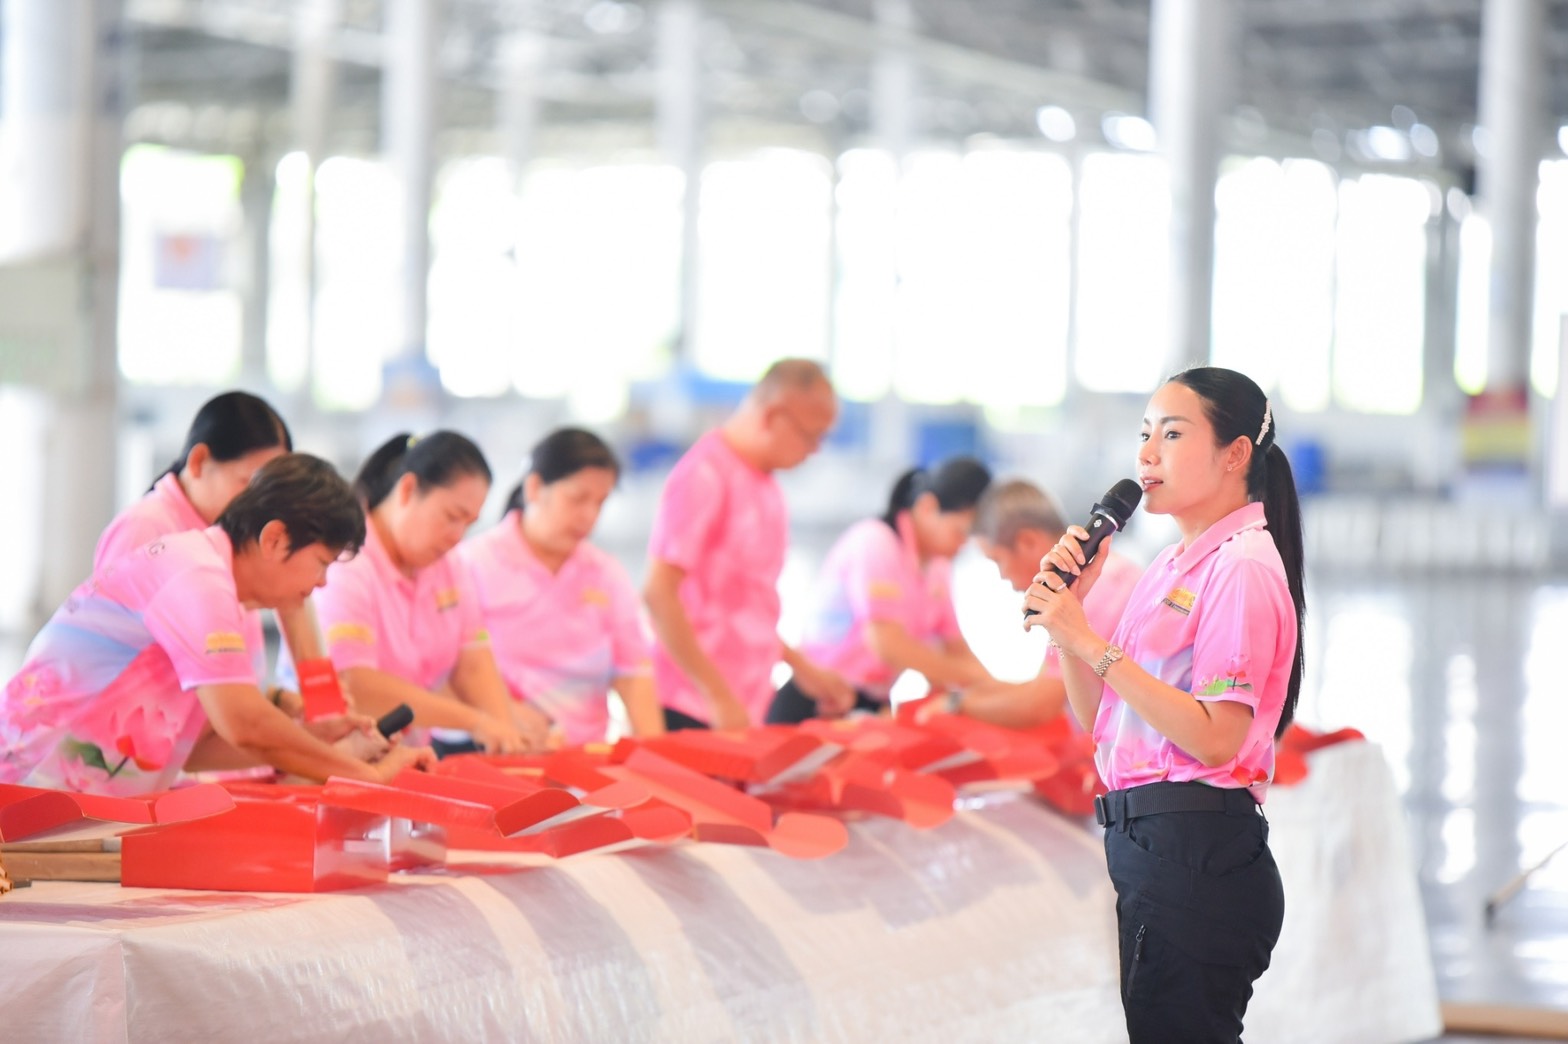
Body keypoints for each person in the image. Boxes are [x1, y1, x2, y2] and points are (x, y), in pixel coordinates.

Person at [1023, 367, 1305, 1043]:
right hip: (1153, 845)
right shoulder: (1173, 565)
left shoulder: (1240, 567)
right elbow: (1103, 722)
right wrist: (1073, 620)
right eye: (1144, 434)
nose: (1147, 454)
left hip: (1195, 850)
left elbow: (1216, 739)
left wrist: (1091, 643)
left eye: (1172, 434)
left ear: (1235, 454)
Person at [0, 453, 434, 795]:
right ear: (274, 539)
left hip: (66, 802)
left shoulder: (215, 578)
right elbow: (245, 723)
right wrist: (363, 774)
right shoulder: (198, 575)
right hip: (28, 792)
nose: (321, 583)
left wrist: (311, 738)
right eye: (321, 563)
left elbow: (197, 747)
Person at [94, 391, 338, 722]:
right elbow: (134, 675)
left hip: (217, 742)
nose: (264, 504)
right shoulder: (146, 527)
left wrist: (314, 704)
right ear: (199, 462)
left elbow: (228, 668)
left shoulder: (234, 538)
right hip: (155, 750)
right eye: (249, 485)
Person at [643, 358, 854, 730]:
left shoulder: (765, 486)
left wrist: (804, 669)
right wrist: (716, 695)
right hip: (691, 704)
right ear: (773, 416)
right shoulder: (703, 474)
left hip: (744, 704)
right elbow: (659, 593)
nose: (815, 451)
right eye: (812, 436)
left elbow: (747, 608)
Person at [312, 431, 545, 755]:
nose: (457, 536)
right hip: (331, 758)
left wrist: (507, 733)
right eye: (452, 516)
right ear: (408, 489)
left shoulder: (449, 566)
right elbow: (355, 683)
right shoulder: (347, 563)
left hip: (406, 760)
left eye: (468, 523)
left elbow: (473, 662)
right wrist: (475, 721)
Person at [459, 428, 664, 747]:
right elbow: (446, 670)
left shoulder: (605, 572)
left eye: (600, 503)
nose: (589, 516)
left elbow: (634, 672)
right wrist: (501, 714)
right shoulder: (473, 563)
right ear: (535, 487)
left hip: (584, 758)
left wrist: (655, 753)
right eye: (578, 498)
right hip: (497, 751)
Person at [770, 456, 995, 724]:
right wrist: (969, 677)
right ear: (927, 508)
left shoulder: (937, 566)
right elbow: (887, 643)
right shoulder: (875, 541)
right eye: (960, 532)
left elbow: (955, 647)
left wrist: (996, 691)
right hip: (819, 697)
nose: (962, 545)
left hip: (872, 703)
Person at [957, 478, 1141, 728]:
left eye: (997, 560)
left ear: (1027, 542)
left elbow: (1041, 704)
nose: (1002, 576)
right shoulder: (1091, 578)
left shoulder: (1096, 585)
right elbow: (1046, 684)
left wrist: (958, 706)